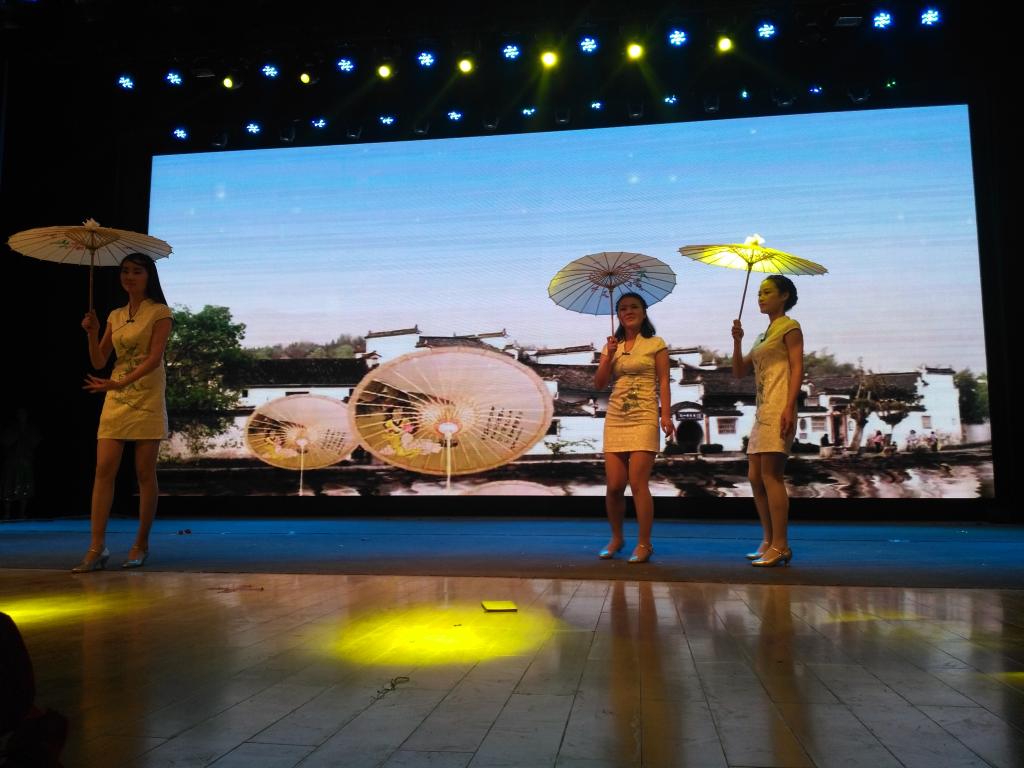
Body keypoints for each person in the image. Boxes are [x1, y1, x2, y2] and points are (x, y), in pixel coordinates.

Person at [73, 253, 172, 572]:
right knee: (103, 469)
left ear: (148, 276)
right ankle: (96, 547)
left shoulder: (160, 312)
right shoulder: (115, 315)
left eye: (137, 271)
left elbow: (154, 359)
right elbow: (99, 361)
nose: (129, 276)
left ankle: (141, 543)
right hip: (115, 394)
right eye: (125, 271)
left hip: (146, 394)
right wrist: (92, 332)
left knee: (144, 473)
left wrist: (120, 383)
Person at [594, 292, 674, 563]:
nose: (628, 312)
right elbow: (599, 384)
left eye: (634, 307)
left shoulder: (656, 343)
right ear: (618, 315)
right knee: (615, 485)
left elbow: (664, 381)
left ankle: (644, 543)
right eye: (623, 308)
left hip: (645, 416)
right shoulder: (611, 346)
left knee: (638, 483)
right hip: (616, 417)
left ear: (643, 311)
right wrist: (609, 356)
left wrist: (666, 415)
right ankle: (617, 538)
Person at [731, 275, 804, 567]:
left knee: (772, 476)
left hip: (779, 406)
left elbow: (797, 368)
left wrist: (789, 406)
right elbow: (739, 371)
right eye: (759, 293)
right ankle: (768, 539)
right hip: (762, 410)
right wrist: (737, 341)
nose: (760, 297)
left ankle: (781, 545)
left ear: (784, 296)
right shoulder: (762, 337)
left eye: (767, 292)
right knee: (754, 476)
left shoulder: (790, 326)